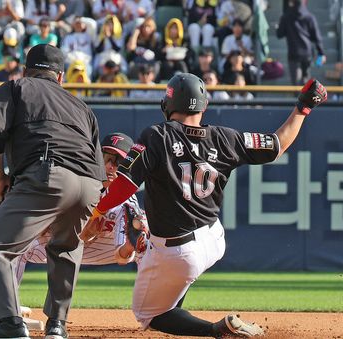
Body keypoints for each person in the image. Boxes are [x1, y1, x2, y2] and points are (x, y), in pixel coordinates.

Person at [79, 73, 328, 337]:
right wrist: (303, 107)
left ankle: (216, 330)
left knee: (149, 315)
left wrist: (98, 210)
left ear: (168, 104)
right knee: (166, 274)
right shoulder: (225, 139)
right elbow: (277, 144)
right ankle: (179, 297)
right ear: (204, 106)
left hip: (178, 252)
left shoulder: (156, 136)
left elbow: (125, 184)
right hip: (213, 238)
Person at [0, 43, 106, 339]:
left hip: (49, 174)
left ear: (27, 70)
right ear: (60, 77)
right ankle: (57, 325)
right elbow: (98, 166)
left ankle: (8, 324)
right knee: (66, 247)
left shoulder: (17, 87)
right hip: (90, 185)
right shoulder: (81, 106)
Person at [0, 132, 147, 271]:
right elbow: (29, 190)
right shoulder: (80, 181)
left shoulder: (126, 202)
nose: (109, 166)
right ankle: (6, 313)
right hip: (62, 245)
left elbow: (122, 258)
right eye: (106, 158)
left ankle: (156, 313)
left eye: (117, 162)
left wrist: (129, 248)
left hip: (104, 251)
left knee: (147, 244)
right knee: (15, 248)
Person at [277, 0, 325, 85]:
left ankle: (296, 96)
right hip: (307, 53)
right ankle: (304, 97)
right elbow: (317, 37)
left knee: (295, 83)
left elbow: (279, 34)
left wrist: (278, 27)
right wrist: (321, 52)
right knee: (305, 81)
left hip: (293, 53)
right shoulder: (310, 17)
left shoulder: (286, 17)